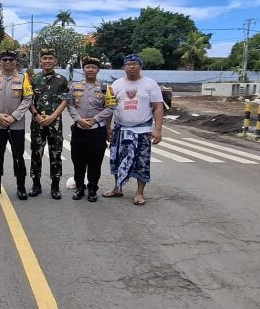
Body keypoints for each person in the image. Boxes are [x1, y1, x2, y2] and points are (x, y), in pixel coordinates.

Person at [106, 54, 165, 205]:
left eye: (135, 64)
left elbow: (158, 107)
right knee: (117, 159)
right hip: (120, 129)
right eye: (128, 64)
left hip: (143, 130)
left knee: (142, 162)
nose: (132, 66)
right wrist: (108, 128)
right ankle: (117, 188)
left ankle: (140, 193)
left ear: (141, 66)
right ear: (123, 67)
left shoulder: (150, 84)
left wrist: (157, 129)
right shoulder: (116, 85)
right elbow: (110, 108)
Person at [67, 56, 115, 202]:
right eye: (88, 67)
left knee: (95, 161)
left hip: (97, 130)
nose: (90, 70)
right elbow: (69, 105)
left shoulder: (106, 88)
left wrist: (94, 119)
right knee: (78, 161)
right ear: (83, 69)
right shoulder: (74, 86)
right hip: (79, 130)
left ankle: (93, 188)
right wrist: (79, 120)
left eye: (93, 67)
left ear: (98, 70)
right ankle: (80, 188)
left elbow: (111, 107)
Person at [0, 50, 32, 201]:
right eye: (4, 59)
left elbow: (27, 99)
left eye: (10, 59)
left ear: (15, 62)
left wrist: (14, 116)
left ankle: (21, 187)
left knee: (18, 157)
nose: (7, 62)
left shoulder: (23, 78)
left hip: (16, 125)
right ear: (0, 62)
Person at [28, 48, 69, 200]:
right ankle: (36, 184)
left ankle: (55, 186)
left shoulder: (62, 79)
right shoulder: (33, 79)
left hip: (55, 123)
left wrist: (53, 117)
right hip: (37, 123)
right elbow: (28, 100)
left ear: (55, 61)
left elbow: (65, 100)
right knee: (36, 153)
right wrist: (36, 115)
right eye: (44, 58)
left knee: (56, 154)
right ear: (40, 61)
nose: (47, 61)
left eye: (50, 58)